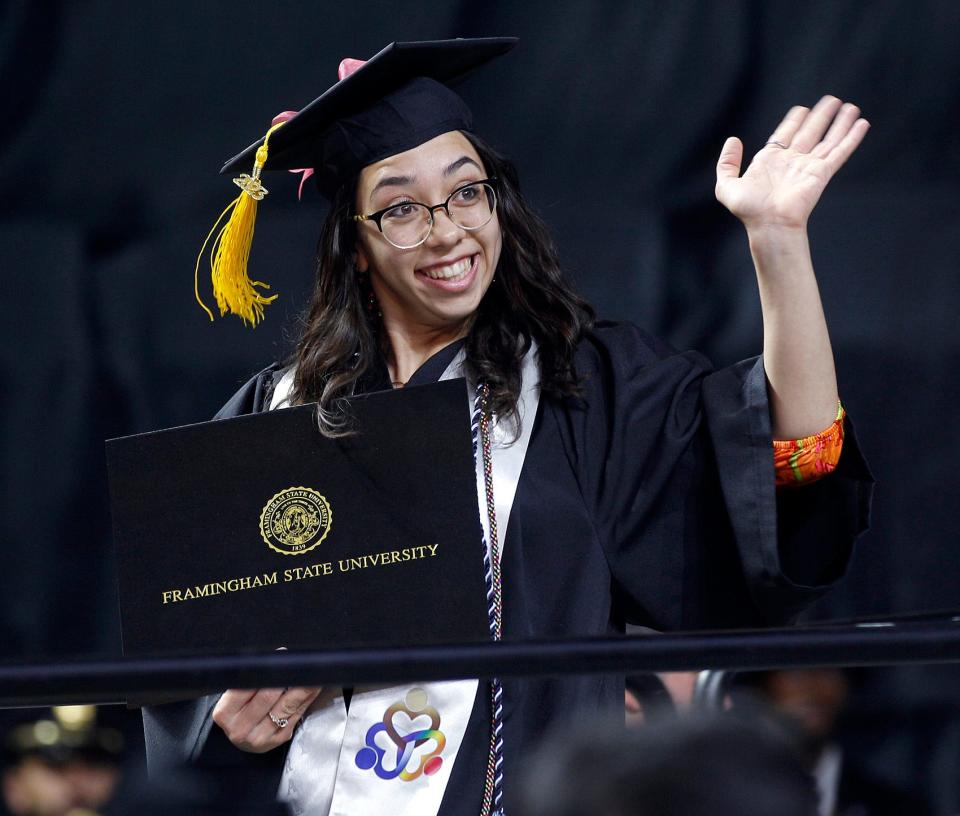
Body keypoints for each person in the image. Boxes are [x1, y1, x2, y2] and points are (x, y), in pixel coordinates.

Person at [145, 37, 873, 816]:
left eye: (467, 193)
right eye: (400, 208)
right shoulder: (278, 410)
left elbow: (786, 463)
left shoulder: (579, 388)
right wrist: (230, 723)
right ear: (354, 246)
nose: (448, 231)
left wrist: (778, 242)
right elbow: (195, 656)